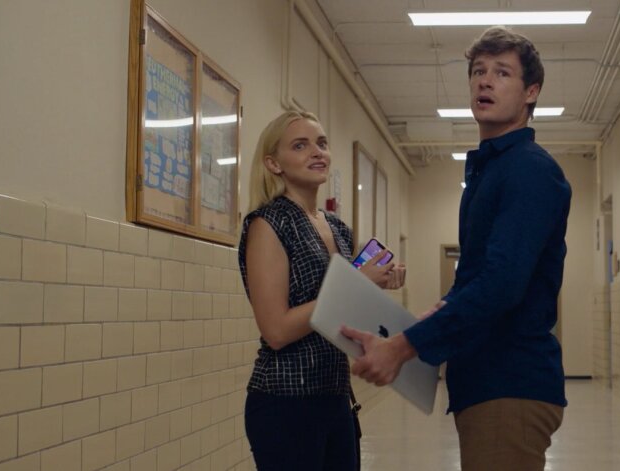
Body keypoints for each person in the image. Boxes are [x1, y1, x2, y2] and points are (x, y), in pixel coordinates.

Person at [341, 26, 571, 471]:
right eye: (478, 71)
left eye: (502, 73)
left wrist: (404, 347)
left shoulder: (528, 170)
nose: (485, 81)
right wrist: (443, 309)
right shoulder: (492, 170)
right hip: (485, 383)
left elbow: (501, 286)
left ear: (531, 92)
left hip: (509, 384)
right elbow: (480, 276)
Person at [238, 110, 403, 470]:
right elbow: (277, 330)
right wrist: (356, 284)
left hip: (335, 396)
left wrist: (377, 284)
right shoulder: (269, 223)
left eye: (322, 144)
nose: (317, 152)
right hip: (286, 400)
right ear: (273, 163)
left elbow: (339, 311)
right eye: (300, 145)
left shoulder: (337, 228)